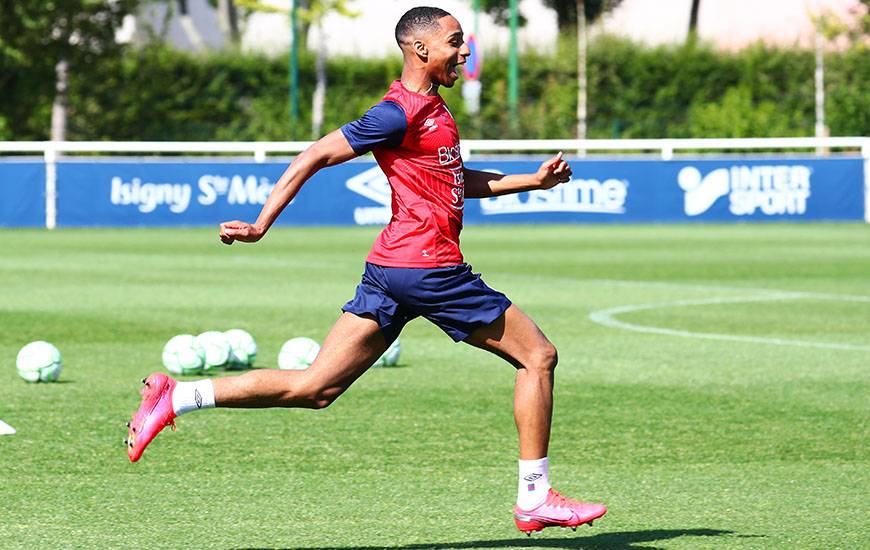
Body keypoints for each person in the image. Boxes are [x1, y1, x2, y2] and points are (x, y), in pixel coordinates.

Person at [125, 6, 606, 535]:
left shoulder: (434, 110)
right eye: (455, 41)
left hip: (391, 269)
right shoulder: (396, 112)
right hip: (428, 269)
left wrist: (531, 183)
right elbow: (315, 155)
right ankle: (534, 497)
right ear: (419, 49)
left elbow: (453, 179)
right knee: (538, 356)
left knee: (315, 388)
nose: (465, 51)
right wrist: (262, 223)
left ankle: (179, 396)